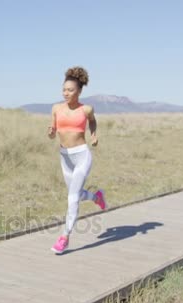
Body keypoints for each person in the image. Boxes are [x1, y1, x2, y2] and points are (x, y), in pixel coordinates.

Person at [48, 66, 107, 254]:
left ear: (79, 91)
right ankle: (96, 197)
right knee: (78, 194)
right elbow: (53, 132)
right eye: (64, 89)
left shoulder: (86, 109)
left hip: (82, 155)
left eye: (70, 90)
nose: (66, 93)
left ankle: (64, 237)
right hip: (64, 157)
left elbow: (92, 121)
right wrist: (51, 132)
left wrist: (94, 135)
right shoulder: (56, 108)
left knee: (72, 198)